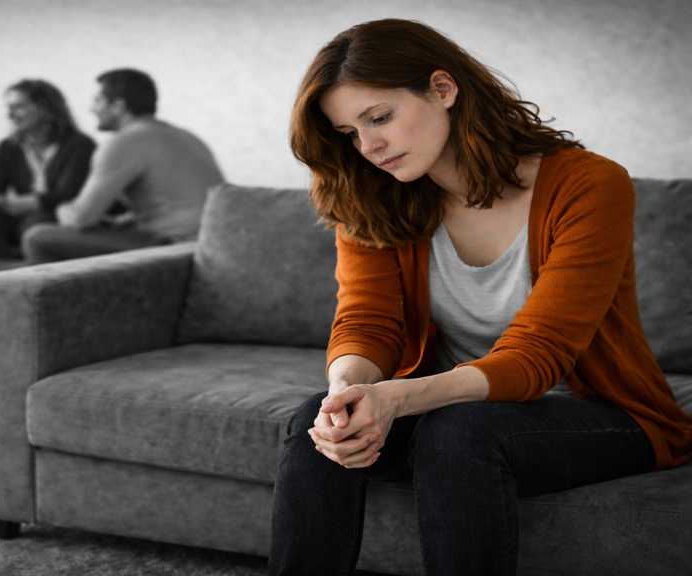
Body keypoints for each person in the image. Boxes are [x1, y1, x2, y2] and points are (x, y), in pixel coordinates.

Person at [269, 19, 692, 575]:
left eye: (379, 118)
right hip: (454, 410)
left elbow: (536, 355)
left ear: (443, 90)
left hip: (603, 411)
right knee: (316, 421)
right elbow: (368, 322)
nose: (368, 147)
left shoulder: (589, 185)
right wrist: (348, 393)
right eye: (348, 133)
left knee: (460, 429)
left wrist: (397, 399)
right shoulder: (372, 195)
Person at [22, 68, 224, 263]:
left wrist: (62, 209)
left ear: (118, 106)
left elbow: (81, 219)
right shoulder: (187, 136)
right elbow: (177, 199)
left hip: (174, 246)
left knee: (37, 237)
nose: (91, 108)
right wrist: (128, 219)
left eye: (97, 100)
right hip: (212, 243)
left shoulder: (125, 141)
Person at [0, 79, 96, 259]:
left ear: (44, 108)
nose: (10, 115)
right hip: (22, 216)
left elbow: (64, 195)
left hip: (62, 217)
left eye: (18, 107)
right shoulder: (9, 147)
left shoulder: (79, 145)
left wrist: (0, 201)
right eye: (9, 108)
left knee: (37, 222)